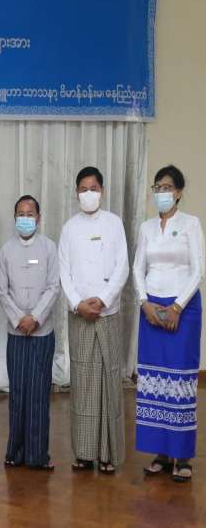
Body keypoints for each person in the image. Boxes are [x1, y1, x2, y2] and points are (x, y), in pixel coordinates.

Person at [133, 165, 203, 483]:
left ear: (178, 192)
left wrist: (176, 307)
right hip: (150, 310)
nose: (161, 192)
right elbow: (138, 268)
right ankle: (161, 453)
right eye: (157, 187)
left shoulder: (191, 224)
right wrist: (143, 302)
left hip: (183, 310)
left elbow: (198, 270)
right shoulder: (147, 227)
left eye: (167, 187)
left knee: (179, 382)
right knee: (155, 381)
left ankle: (182, 456)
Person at [58, 166, 129, 474]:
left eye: (94, 188)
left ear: (102, 191)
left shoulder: (114, 223)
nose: (89, 193)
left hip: (107, 313)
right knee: (84, 382)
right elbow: (64, 271)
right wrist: (78, 303)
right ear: (76, 193)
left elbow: (122, 267)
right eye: (84, 189)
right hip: (80, 315)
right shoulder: (69, 228)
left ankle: (108, 453)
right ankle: (85, 453)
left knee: (109, 380)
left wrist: (103, 299)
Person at [0, 195, 59, 470]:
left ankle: (37, 456)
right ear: (14, 218)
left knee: (38, 395)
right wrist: (19, 319)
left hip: (42, 333)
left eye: (30, 213)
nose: (25, 218)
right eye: (20, 214)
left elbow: (53, 287)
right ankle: (15, 452)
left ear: (38, 217)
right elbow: (2, 290)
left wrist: (36, 318)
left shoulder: (49, 247)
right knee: (18, 394)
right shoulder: (6, 250)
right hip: (16, 332)